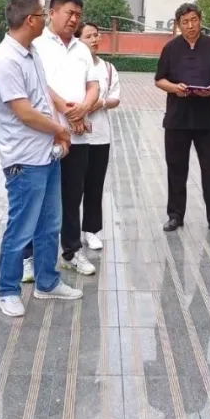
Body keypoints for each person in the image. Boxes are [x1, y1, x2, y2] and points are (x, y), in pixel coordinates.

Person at [0, 0, 83, 318]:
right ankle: (6, 291)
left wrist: (58, 133)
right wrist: (60, 131)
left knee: (49, 225)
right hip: (24, 160)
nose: (45, 19)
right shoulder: (6, 60)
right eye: (43, 14)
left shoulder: (32, 54)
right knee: (21, 228)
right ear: (30, 20)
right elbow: (25, 113)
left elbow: (44, 99)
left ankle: (47, 282)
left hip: (46, 155)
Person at [25, 0, 99, 278]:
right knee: (38, 198)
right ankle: (28, 256)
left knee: (72, 196)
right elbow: (39, 85)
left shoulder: (82, 49)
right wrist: (68, 111)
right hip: (45, 136)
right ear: (52, 13)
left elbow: (93, 86)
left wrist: (83, 108)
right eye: (69, 13)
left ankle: (70, 251)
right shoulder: (37, 44)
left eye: (78, 15)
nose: (74, 19)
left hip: (78, 137)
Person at [154, 2, 210, 237]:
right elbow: (159, 79)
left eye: (194, 20)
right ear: (178, 25)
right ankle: (175, 215)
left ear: (200, 20)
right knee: (176, 168)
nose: (190, 26)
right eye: (185, 22)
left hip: (206, 119)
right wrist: (174, 88)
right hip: (177, 119)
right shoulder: (170, 48)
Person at [78, 21, 122, 252]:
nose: (94, 40)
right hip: (76, 135)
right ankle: (68, 232)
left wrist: (101, 102)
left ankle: (91, 230)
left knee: (95, 185)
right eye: (88, 36)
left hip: (100, 136)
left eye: (96, 35)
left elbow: (115, 98)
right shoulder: (72, 65)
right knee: (72, 187)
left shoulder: (108, 68)